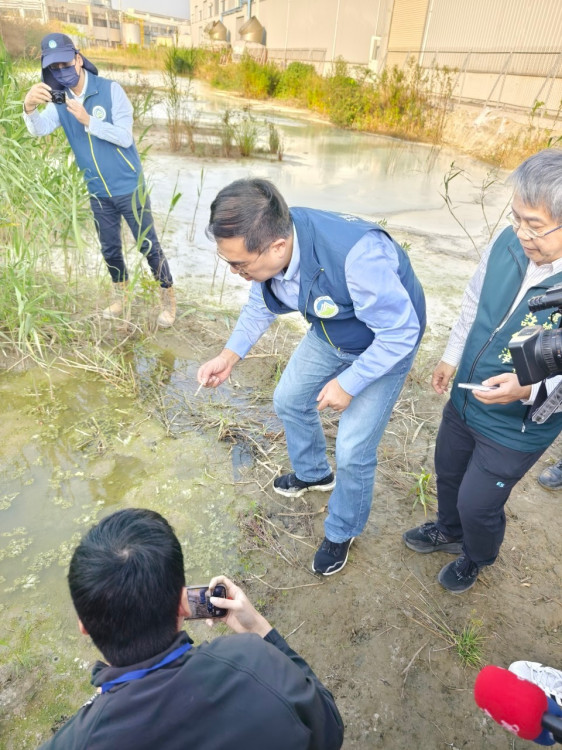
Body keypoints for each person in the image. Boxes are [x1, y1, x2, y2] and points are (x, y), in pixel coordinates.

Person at [197, 178, 426, 576]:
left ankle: (342, 529)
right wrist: (228, 356)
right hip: (332, 330)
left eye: (240, 264)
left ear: (278, 247)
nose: (236, 273)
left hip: (385, 344)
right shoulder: (271, 245)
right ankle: (314, 473)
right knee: (288, 398)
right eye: (228, 262)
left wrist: (350, 383)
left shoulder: (357, 257)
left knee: (354, 448)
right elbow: (259, 306)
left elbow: (401, 333)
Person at [38, 508, 344, 749]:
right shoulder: (255, 661)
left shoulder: (74, 740)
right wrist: (259, 628)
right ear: (183, 604)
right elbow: (329, 728)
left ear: (83, 627)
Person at [403, 148, 562, 594]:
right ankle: (448, 530)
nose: (521, 234)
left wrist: (526, 391)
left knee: (479, 503)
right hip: (467, 397)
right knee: (449, 472)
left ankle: (477, 555)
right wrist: (452, 355)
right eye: (517, 218)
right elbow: (474, 301)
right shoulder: (508, 242)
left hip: (518, 427)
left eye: (535, 226)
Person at [23, 33, 176, 327]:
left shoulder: (110, 90)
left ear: (78, 60)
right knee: (109, 249)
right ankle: (121, 298)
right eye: (53, 69)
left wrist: (88, 120)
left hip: (129, 187)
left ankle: (168, 300)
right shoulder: (59, 99)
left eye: (65, 64)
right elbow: (39, 129)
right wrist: (28, 108)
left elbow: (124, 136)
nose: (61, 71)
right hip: (97, 190)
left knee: (149, 245)